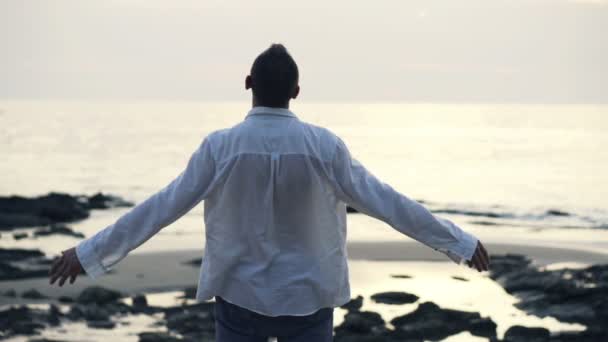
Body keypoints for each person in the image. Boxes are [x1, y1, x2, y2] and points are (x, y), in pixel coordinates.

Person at [49, 43, 490, 341]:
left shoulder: (220, 147)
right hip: (310, 302)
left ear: (248, 83)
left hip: (240, 296)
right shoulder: (325, 147)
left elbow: (161, 207)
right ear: (296, 92)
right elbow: (388, 203)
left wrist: (87, 254)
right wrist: (458, 242)